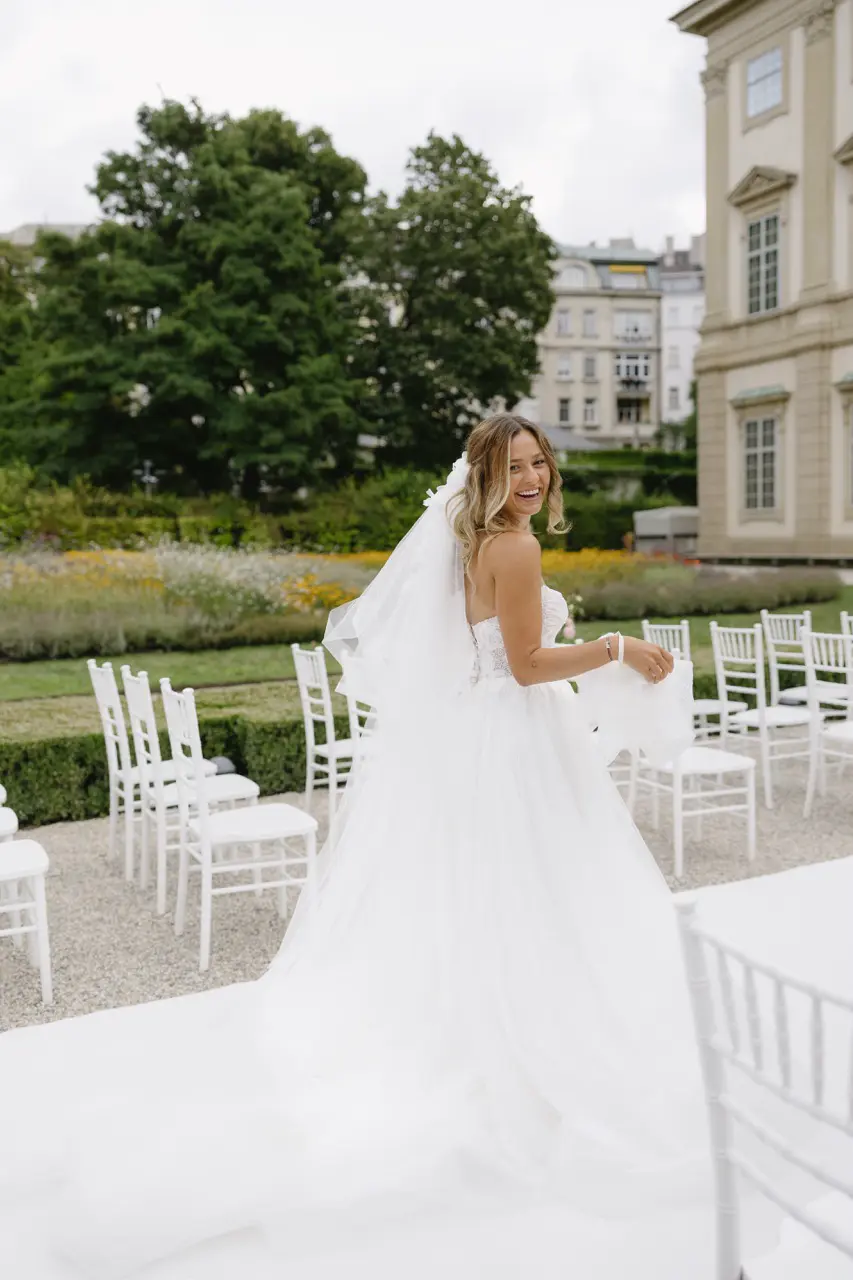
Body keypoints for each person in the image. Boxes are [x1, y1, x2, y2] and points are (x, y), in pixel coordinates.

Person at [2, 414, 715, 1280]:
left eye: (538, 462)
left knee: (487, 894)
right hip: (515, 737)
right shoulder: (515, 551)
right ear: (484, 475)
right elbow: (525, 665)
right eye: (513, 465)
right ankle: (522, 1056)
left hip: (479, 737)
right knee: (539, 889)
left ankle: (497, 1035)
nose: (531, 477)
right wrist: (618, 648)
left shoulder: (471, 542)